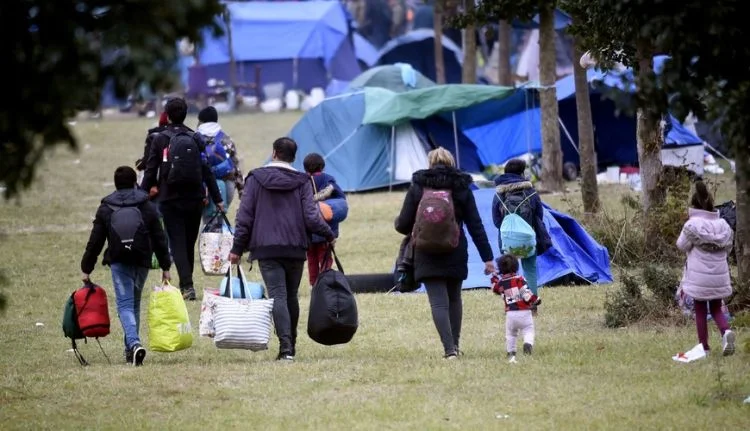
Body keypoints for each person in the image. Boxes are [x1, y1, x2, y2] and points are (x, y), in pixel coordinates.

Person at [229, 137, 335, 362]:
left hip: (267, 247)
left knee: (277, 294)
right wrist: (328, 234)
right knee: (290, 296)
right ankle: (291, 344)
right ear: (294, 157)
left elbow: (244, 217)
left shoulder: (256, 179)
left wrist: (237, 248)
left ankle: (286, 348)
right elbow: (311, 216)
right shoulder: (302, 181)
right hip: (295, 246)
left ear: (274, 152)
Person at [394, 147, 495, 359]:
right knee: (454, 298)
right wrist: (487, 257)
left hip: (425, 250)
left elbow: (403, 225)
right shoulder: (462, 186)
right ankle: (456, 346)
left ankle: (449, 351)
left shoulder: (419, 185)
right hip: (455, 248)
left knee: (438, 302)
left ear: (430, 162)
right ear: (451, 162)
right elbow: (475, 224)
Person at [81, 166, 172, 366]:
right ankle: (131, 350)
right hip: (142, 261)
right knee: (134, 304)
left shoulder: (106, 207)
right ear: (134, 182)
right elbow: (159, 238)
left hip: (119, 260)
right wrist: (166, 266)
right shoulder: (146, 205)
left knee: (124, 304)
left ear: (115, 183)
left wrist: (86, 268)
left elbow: (95, 241)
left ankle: (133, 343)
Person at [140, 98, 224, 300]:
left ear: (167, 115)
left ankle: (187, 285)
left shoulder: (159, 139)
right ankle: (187, 281)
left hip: (169, 198)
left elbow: (151, 171)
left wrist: (140, 196)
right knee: (188, 242)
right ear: (186, 115)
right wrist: (217, 198)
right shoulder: (195, 137)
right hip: (195, 197)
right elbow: (206, 170)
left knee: (177, 241)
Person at [677, 180, 736, 356]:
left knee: (701, 311)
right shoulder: (723, 225)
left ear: (694, 205)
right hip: (719, 276)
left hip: (699, 278)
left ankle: (704, 346)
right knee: (717, 309)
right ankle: (726, 332)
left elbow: (681, 245)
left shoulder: (692, 225)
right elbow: (728, 247)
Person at [492, 158, 552, 297]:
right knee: (530, 270)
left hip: (507, 241)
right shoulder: (531, 193)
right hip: (528, 239)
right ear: (522, 173)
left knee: (508, 272)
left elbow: (496, 221)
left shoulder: (499, 194)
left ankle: (513, 303)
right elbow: (539, 217)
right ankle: (532, 305)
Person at [302, 152, 346, 286]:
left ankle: (314, 285)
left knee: (311, 259)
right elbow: (341, 200)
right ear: (323, 166)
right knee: (325, 259)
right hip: (325, 231)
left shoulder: (303, 181)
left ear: (305, 168)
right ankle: (326, 284)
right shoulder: (329, 180)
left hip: (309, 232)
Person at [196, 106, 244, 224]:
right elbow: (235, 165)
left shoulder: (194, 138)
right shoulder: (226, 138)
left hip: (204, 187)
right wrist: (242, 191)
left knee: (208, 221)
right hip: (227, 183)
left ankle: (207, 242)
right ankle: (221, 242)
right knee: (220, 219)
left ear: (200, 121)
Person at [491, 254, 541, 362]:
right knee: (528, 330)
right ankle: (527, 344)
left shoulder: (501, 283)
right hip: (524, 312)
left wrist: (494, 277)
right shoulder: (519, 279)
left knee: (511, 334)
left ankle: (511, 352)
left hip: (510, 314)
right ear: (516, 267)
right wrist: (535, 300)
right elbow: (526, 293)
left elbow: (495, 289)